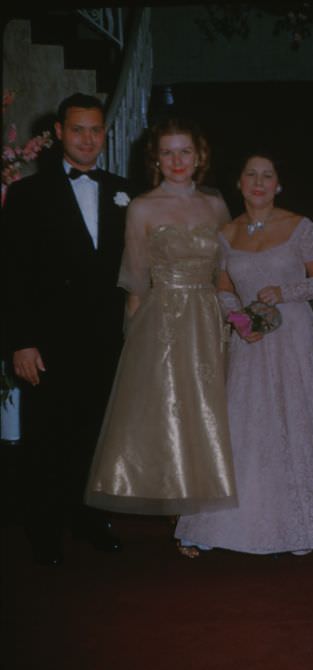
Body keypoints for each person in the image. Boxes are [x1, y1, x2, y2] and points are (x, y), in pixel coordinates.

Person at [175, 150, 313, 556]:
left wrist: (284, 293)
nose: (259, 183)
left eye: (267, 176)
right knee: (248, 425)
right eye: (251, 175)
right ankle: (230, 525)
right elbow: (223, 288)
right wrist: (239, 321)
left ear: (278, 184)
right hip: (251, 340)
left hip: (293, 335)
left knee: (295, 420)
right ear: (239, 183)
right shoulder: (226, 234)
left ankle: (305, 523)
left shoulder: (300, 227)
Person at [1, 93, 134, 566]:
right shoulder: (27, 195)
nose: (87, 139)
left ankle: (90, 518)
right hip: (49, 342)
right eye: (78, 129)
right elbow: (12, 274)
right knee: (48, 439)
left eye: (95, 130)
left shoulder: (124, 190)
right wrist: (19, 341)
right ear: (58, 132)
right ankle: (45, 528)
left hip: (107, 339)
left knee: (98, 436)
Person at [84, 117, 237, 521]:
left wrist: (234, 314)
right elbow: (136, 280)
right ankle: (179, 504)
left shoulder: (216, 204)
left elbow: (225, 271)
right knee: (171, 412)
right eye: (167, 152)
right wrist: (131, 336)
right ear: (156, 158)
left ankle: (212, 510)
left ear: (199, 155)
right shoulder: (142, 207)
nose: (177, 160)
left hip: (208, 318)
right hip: (163, 321)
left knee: (212, 411)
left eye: (185, 151)